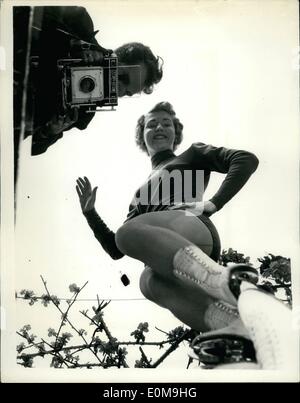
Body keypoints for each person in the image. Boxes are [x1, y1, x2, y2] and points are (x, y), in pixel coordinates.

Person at [76, 101, 260, 342]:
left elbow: (245, 159)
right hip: (171, 256)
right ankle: (233, 330)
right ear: (142, 136)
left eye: (167, 123)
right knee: (148, 281)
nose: (159, 127)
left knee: (127, 231)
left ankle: (223, 281)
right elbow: (117, 249)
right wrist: (91, 214)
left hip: (192, 228)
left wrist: (215, 202)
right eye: (152, 124)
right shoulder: (139, 194)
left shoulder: (192, 155)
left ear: (176, 132)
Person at [16, 6, 163, 156]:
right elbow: (22, 13)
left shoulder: (83, 112)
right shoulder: (79, 23)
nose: (119, 89)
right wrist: (72, 44)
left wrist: (48, 132)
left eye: (127, 93)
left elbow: (28, 148)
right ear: (117, 58)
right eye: (123, 77)